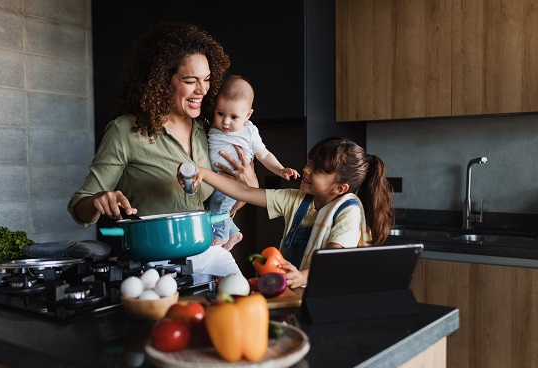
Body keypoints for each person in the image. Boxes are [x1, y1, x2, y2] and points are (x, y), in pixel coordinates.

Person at [67, 21, 258, 277]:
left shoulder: (211, 130)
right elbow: (80, 208)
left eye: (207, 79)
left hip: (208, 257)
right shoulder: (126, 131)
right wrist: (98, 200)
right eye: (191, 81)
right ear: (162, 80)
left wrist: (249, 185)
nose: (202, 90)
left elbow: (235, 196)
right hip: (154, 268)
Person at [178, 137, 395, 288]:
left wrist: (302, 277)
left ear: (339, 189)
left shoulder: (348, 211)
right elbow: (244, 192)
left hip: (324, 296)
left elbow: (334, 262)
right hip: (293, 291)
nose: (306, 169)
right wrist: (204, 173)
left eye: (317, 169)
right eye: (310, 162)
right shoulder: (296, 200)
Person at [207, 75, 300, 247]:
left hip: (232, 182)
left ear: (248, 115)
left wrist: (280, 169)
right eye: (220, 113)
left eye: (234, 117)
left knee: (217, 207)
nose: (225, 122)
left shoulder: (249, 132)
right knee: (219, 208)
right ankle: (233, 233)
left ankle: (220, 236)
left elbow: (263, 155)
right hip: (217, 179)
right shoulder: (212, 124)